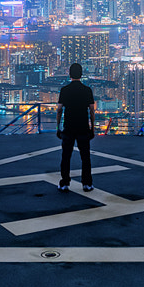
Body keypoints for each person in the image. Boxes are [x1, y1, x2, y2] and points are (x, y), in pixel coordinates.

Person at [56, 62, 96, 192]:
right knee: (85, 157)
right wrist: (92, 128)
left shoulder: (64, 90)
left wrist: (58, 127)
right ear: (81, 74)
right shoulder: (87, 90)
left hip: (68, 127)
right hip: (83, 127)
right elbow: (91, 111)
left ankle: (64, 183)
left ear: (69, 74)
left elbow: (59, 110)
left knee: (66, 156)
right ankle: (87, 184)